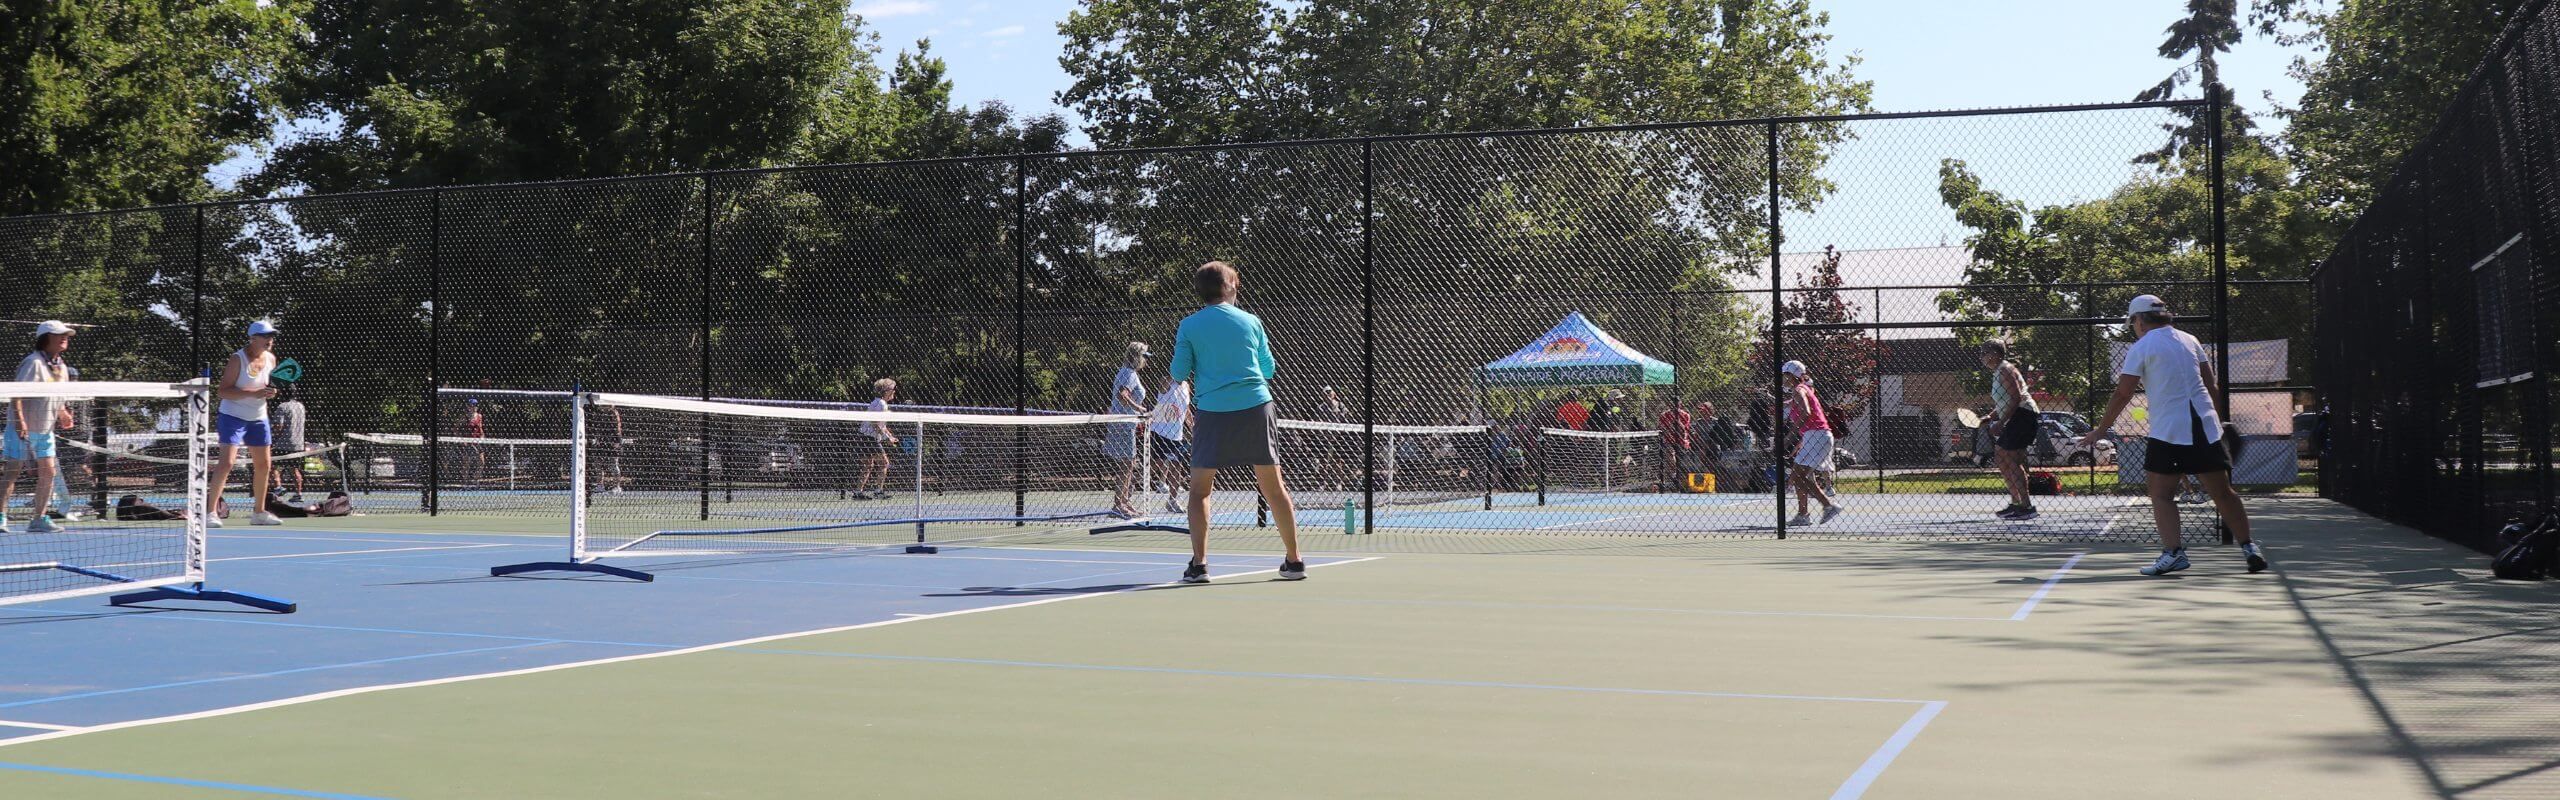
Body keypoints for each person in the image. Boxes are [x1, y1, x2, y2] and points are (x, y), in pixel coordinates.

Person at [2079, 295, 2267, 576]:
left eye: (2133, 322)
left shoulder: (2141, 347)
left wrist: (2101, 429)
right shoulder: (2190, 339)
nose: (2134, 327)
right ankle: (2249, 548)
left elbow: (2122, 393)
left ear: (2140, 320)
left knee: (2161, 494)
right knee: (2223, 493)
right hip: (2204, 427)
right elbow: (2210, 384)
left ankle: (2174, 553)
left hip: (2168, 430)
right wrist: (2218, 420)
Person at [1169, 260, 1305, 583]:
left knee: (1200, 490)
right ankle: (1295, 561)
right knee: (1274, 488)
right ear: (1229, 287)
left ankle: (1199, 565)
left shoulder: (1189, 325)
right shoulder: (1252, 322)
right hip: (1256, 407)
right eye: (1235, 281)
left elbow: (1177, 373)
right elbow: (1268, 370)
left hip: (1212, 412)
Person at [1, 321, 79, 533]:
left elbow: (57, 395)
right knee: (13, 471)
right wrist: (19, 421)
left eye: (66, 335)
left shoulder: (61, 366)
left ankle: (39, 519)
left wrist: (62, 413)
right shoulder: (33, 362)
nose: (65, 338)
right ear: (45, 338)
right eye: (59, 335)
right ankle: (0, 516)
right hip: (22, 428)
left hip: (45, 429)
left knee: (49, 472)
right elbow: (17, 394)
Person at [208, 321, 286, 527]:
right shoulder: (237, 359)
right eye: (265, 335)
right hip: (232, 416)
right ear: (252, 338)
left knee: (264, 465)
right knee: (227, 463)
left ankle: (259, 513)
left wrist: (271, 392)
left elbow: (267, 387)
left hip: (259, 417)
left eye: (271, 335)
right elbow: (223, 391)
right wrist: (254, 393)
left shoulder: (271, 359)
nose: (270, 339)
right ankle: (210, 513)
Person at [1979, 341, 2041, 520]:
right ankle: (2016, 503)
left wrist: (2000, 423)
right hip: (2016, 416)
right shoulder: (1998, 372)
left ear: (1997, 353)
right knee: (2001, 456)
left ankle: (2027, 506)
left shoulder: (2006, 369)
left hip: (2024, 415)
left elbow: (2016, 398)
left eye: (1985, 352)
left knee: (2012, 458)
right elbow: (2004, 403)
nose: (1981, 356)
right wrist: (1990, 417)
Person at [1781, 361, 1843, 526]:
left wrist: (1789, 437)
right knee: (1801, 475)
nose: (1783, 379)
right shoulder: (1803, 389)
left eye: (1784, 375)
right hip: (1815, 436)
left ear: (1791, 375)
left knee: (1798, 476)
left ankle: (1828, 505)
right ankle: (1803, 514)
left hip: (1816, 435)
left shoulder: (1799, 389)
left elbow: (1806, 412)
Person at [1107, 342, 1152, 518]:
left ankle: (1123, 502)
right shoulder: (1128, 374)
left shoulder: (1128, 373)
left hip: (1126, 424)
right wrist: (1140, 408)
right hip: (1123, 424)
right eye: (1144, 357)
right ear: (1137, 357)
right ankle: (1119, 505)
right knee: (1126, 464)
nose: (1146, 361)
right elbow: (1122, 395)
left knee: (1129, 464)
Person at [1148, 375, 1193, 515]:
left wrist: (1193, 427)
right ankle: (1129, 487)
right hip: (1160, 432)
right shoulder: (1166, 382)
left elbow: (1186, 410)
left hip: (1176, 435)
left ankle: (1172, 501)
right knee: (1156, 465)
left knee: (1176, 468)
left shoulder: (1186, 386)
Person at [857, 378, 899, 500]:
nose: (894, 391)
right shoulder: (881, 404)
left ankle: (858, 492)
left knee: (868, 465)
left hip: (866, 437)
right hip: (869, 438)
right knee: (884, 463)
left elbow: (882, 425)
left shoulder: (879, 403)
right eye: (892, 389)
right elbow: (875, 423)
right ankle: (878, 491)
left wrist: (890, 436)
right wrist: (887, 438)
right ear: (886, 391)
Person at [270, 382, 309, 502]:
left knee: (272, 465)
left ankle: (278, 487)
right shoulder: (301, 406)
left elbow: (279, 426)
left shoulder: (283, 406)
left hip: (284, 442)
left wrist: (272, 434)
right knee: (295, 469)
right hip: (298, 444)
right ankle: (298, 494)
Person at [1657, 394, 1693, 491]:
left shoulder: (1685, 415)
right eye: (1673, 403)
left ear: (1680, 404)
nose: (1675, 405)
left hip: (1681, 442)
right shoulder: (1664, 415)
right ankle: (1673, 475)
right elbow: (1662, 429)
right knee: (1670, 452)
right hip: (1669, 440)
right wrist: (1670, 425)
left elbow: (1683, 430)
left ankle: (1681, 482)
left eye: (1677, 403)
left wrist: (1677, 421)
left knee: (1683, 463)